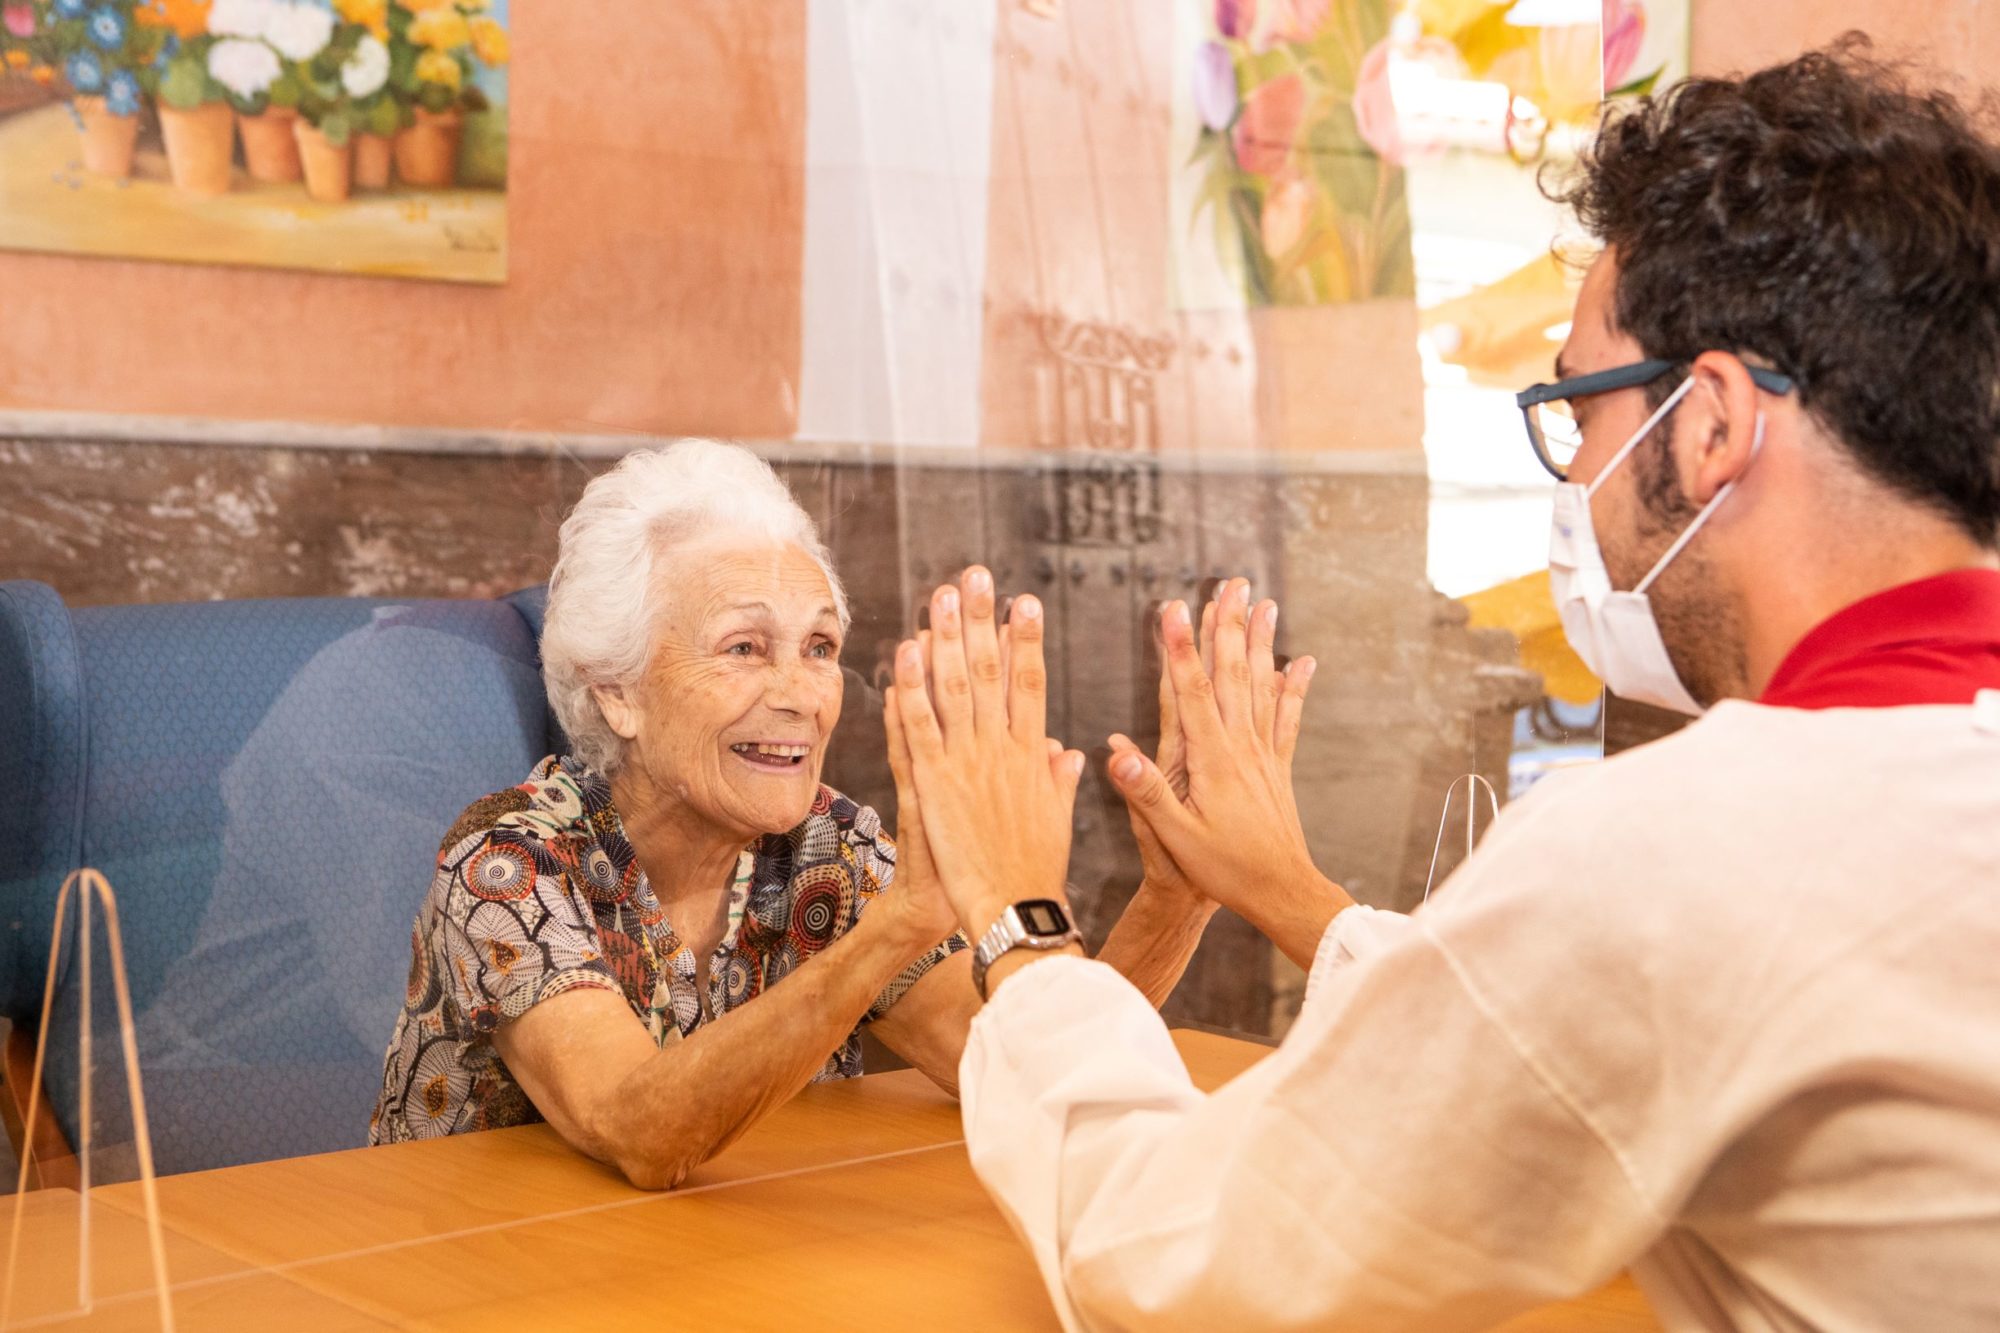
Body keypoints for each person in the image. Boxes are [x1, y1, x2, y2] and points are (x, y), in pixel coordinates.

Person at [885, 41, 2000, 1331]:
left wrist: (1020, 925)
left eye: (1580, 408)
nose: (1573, 479)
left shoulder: (1691, 848)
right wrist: (1294, 895)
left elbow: (1176, 1257)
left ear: (1706, 427)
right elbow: (1577, 1029)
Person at [369, 439, 1217, 1188]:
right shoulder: (508, 866)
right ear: (617, 694)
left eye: (819, 649)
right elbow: (639, 1127)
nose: (801, 696)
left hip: (714, 1267)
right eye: (744, 648)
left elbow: (1026, 1066)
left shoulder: (830, 849)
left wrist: (1181, 892)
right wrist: (892, 931)